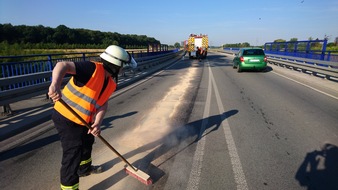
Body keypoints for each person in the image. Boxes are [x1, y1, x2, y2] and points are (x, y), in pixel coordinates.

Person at [48, 45, 131, 190]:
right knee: (73, 153)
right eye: (122, 66)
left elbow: (102, 104)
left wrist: (97, 123)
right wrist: (55, 84)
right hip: (66, 117)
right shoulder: (91, 68)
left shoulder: (111, 83)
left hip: (84, 121)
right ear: (116, 66)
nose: (123, 69)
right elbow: (62, 65)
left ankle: (85, 169)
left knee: (87, 141)